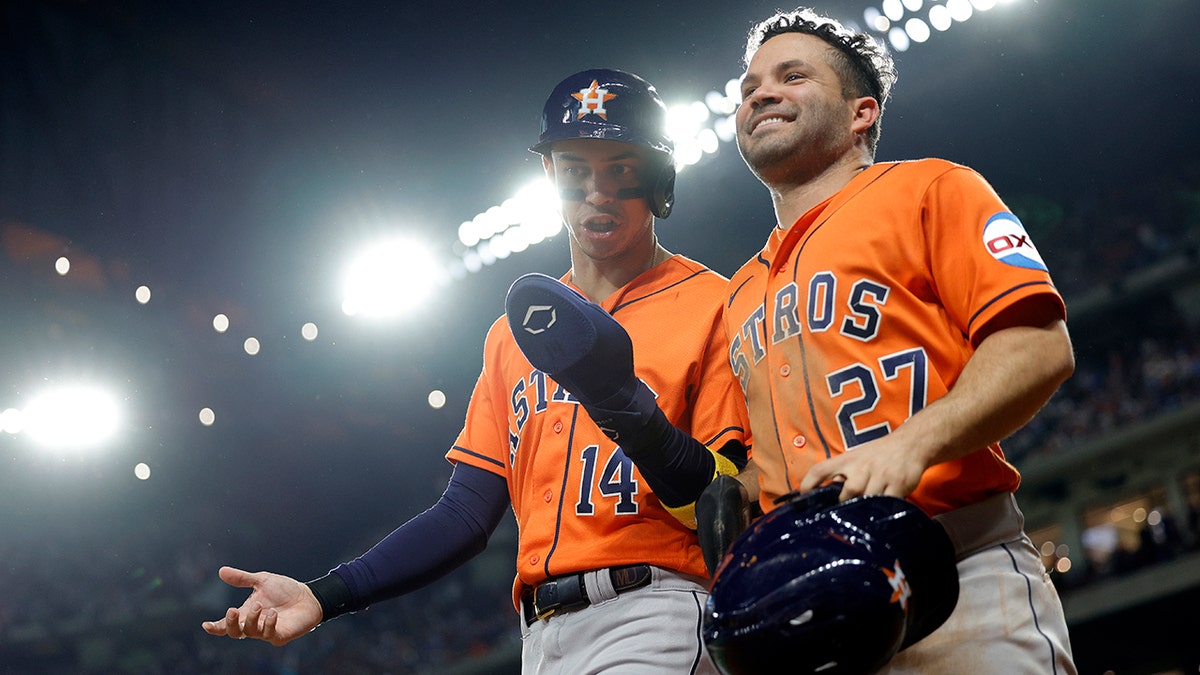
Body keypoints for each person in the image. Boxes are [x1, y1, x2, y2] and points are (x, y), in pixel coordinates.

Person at [201, 68, 749, 675]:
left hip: (658, 610)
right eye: (574, 171)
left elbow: (724, 498)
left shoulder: (714, 305)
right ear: (549, 177)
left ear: (659, 178)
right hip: (541, 637)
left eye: (620, 168)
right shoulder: (511, 337)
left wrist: (626, 408)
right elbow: (464, 513)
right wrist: (322, 595)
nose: (596, 192)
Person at [719, 7, 1078, 673]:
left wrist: (911, 442)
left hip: (954, 567)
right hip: (807, 603)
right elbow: (750, 466)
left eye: (792, 76)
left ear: (862, 113)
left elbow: (1038, 344)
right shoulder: (738, 290)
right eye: (748, 88)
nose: (760, 93)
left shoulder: (930, 188)